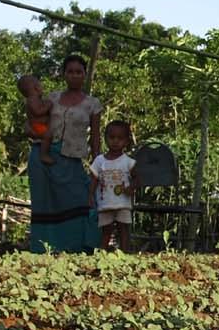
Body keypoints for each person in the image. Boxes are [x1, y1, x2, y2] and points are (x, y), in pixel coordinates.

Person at [24, 54, 104, 254]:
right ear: (64, 74)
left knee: (83, 200)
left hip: (71, 159)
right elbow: (34, 119)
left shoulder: (92, 104)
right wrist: (31, 130)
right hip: (43, 157)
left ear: (84, 75)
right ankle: (43, 249)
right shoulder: (52, 98)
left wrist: (99, 164)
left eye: (79, 72)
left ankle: (77, 248)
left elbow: (95, 136)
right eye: (70, 71)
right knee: (45, 203)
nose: (74, 76)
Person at [91, 119, 136, 253]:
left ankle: (125, 254)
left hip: (123, 203)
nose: (115, 141)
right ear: (105, 139)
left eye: (120, 138)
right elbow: (93, 178)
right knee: (106, 230)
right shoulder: (99, 161)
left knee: (123, 229)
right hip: (105, 202)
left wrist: (131, 188)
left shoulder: (128, 161)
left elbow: (138, 178)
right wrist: (90, 196)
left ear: (126, 141)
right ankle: (102, 253)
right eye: (112, 137)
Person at [19, 74, 58, 164]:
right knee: (47, 135)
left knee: (47, 135)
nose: (42, 87)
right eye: (40, 85)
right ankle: (43, 155)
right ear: (36, 88)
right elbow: (38, 112)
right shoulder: (32, 99)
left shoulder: (36, 99)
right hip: (36, 126)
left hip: (40, 125)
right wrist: (48, 106)